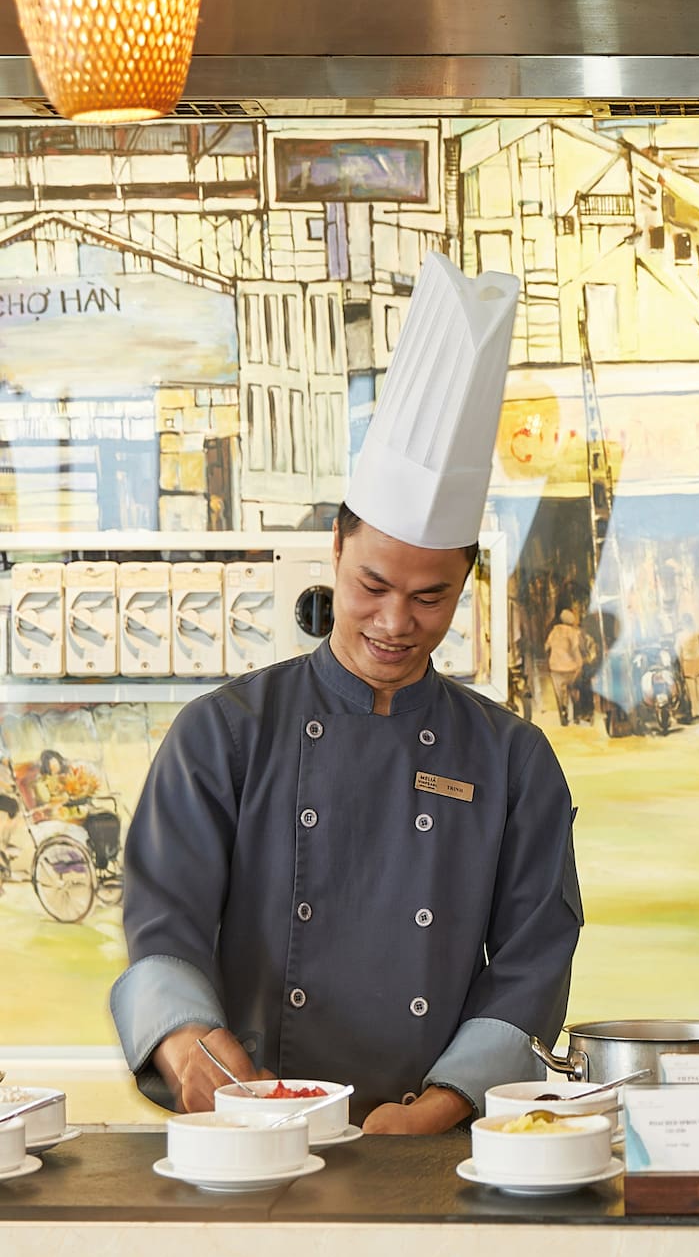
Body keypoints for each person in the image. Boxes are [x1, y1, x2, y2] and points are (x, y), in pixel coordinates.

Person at [110, 256, 583, 1132]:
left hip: (434, 1140)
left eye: (430, 596)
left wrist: (443, 1106)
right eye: (373, 585)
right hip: (250, 1129)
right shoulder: (224, 734)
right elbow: (162, 921)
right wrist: (190, 1049)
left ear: (467, 580)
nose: (396, 623)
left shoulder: (512, 760)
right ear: (336, 546)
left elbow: (532, 958)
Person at [544, 606, 586, 726]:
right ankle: (576, 715)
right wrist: (580, 663)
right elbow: (575, 649)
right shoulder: (573, 632)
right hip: (570, 667)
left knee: (560, 693)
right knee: (573, 690)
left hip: (555, 667)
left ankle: (564, 715)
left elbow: (546, 646)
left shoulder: (554, 631)